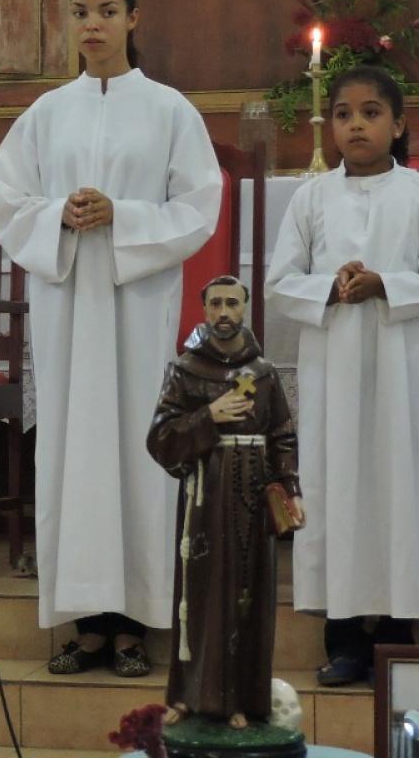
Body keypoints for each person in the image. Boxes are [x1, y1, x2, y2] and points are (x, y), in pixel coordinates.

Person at [0, 0, 222, 677]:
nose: (92, 24)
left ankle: (133, 626)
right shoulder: (45, 113)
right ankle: (83, 623)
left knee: (135, 450)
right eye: (81, 10)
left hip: (135, 303)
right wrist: (61, 212)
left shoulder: (169, 110)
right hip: (66, 304)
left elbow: (197, 205)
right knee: (69, 453)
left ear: (133, 18)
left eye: (106, 10)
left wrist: (121, 215)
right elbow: (9, 200)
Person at [266, 66, 419, 686]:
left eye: (372, 112)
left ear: (399, 124)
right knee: (334, 482)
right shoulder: (311, 197)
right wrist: (330, 286)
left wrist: (386, 284)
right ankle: (344, 632)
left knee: (397, 479)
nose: (356, 123)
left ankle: (400, 625)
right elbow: (279, 282)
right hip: (334, 364)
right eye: (346, 113)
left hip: (399, 359)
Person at [148, 276, 303, 728]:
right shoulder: (185, 370)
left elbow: (282, 435)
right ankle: (188, 694)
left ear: (245, 309)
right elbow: (159, 437)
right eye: (215, 302)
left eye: (232, 303)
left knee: (248, 596)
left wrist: (290, 488)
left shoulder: (264, 373)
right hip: (206, 495)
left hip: (253, 494)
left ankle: (243, 698)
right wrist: (207, 418)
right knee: (199, 594)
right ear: (203, 309)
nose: (223, 312)